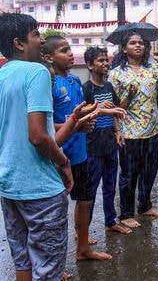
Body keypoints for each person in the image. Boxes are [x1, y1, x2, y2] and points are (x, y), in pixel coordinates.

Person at [0, 12, 72, 281]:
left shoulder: (2, 75)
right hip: (40, 189)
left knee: (23, 261)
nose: (42, 41)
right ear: (19, 43)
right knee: (48, 268)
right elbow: (38, 136)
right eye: (36, 35)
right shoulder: (37, 72)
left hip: (9, 186)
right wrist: (63, 162)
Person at [43, 35, 116, 261]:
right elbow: (44, 123)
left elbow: (81, 113)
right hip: (58, 156)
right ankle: (53, 261)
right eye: (63, 50)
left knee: (85, 201)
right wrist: (75, 124)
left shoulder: (75, 80)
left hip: (80, 153)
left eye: (69, 49)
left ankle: (83, 249)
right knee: (55, 211)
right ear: (48, 57)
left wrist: (99, 113)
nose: (69, 54)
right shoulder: (49, 82)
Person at [108, 32, 158, 228]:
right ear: (124, 48)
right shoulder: (116, 74)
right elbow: (115, 107)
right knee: (129, 174)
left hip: (153, 130)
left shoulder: (152, 70)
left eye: (140, 43)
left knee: (149, 172)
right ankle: (126, 213)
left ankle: (145, 206)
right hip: (129, 132)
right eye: (132, 43)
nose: (138, 46)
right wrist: (128, 98)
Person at [82, 46, 131, 234]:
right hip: (93, 147)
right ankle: (83, 229)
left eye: (106, 60)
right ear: (89, 65)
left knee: (110, 187)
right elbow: (81, 115)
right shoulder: (86, 88)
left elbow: (116, 111)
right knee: (91, 190)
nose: (105, 64)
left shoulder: (109, 86)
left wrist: (118, 131)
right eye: (100, 60)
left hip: (110, 145)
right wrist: (98, 106)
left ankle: (110, 221)